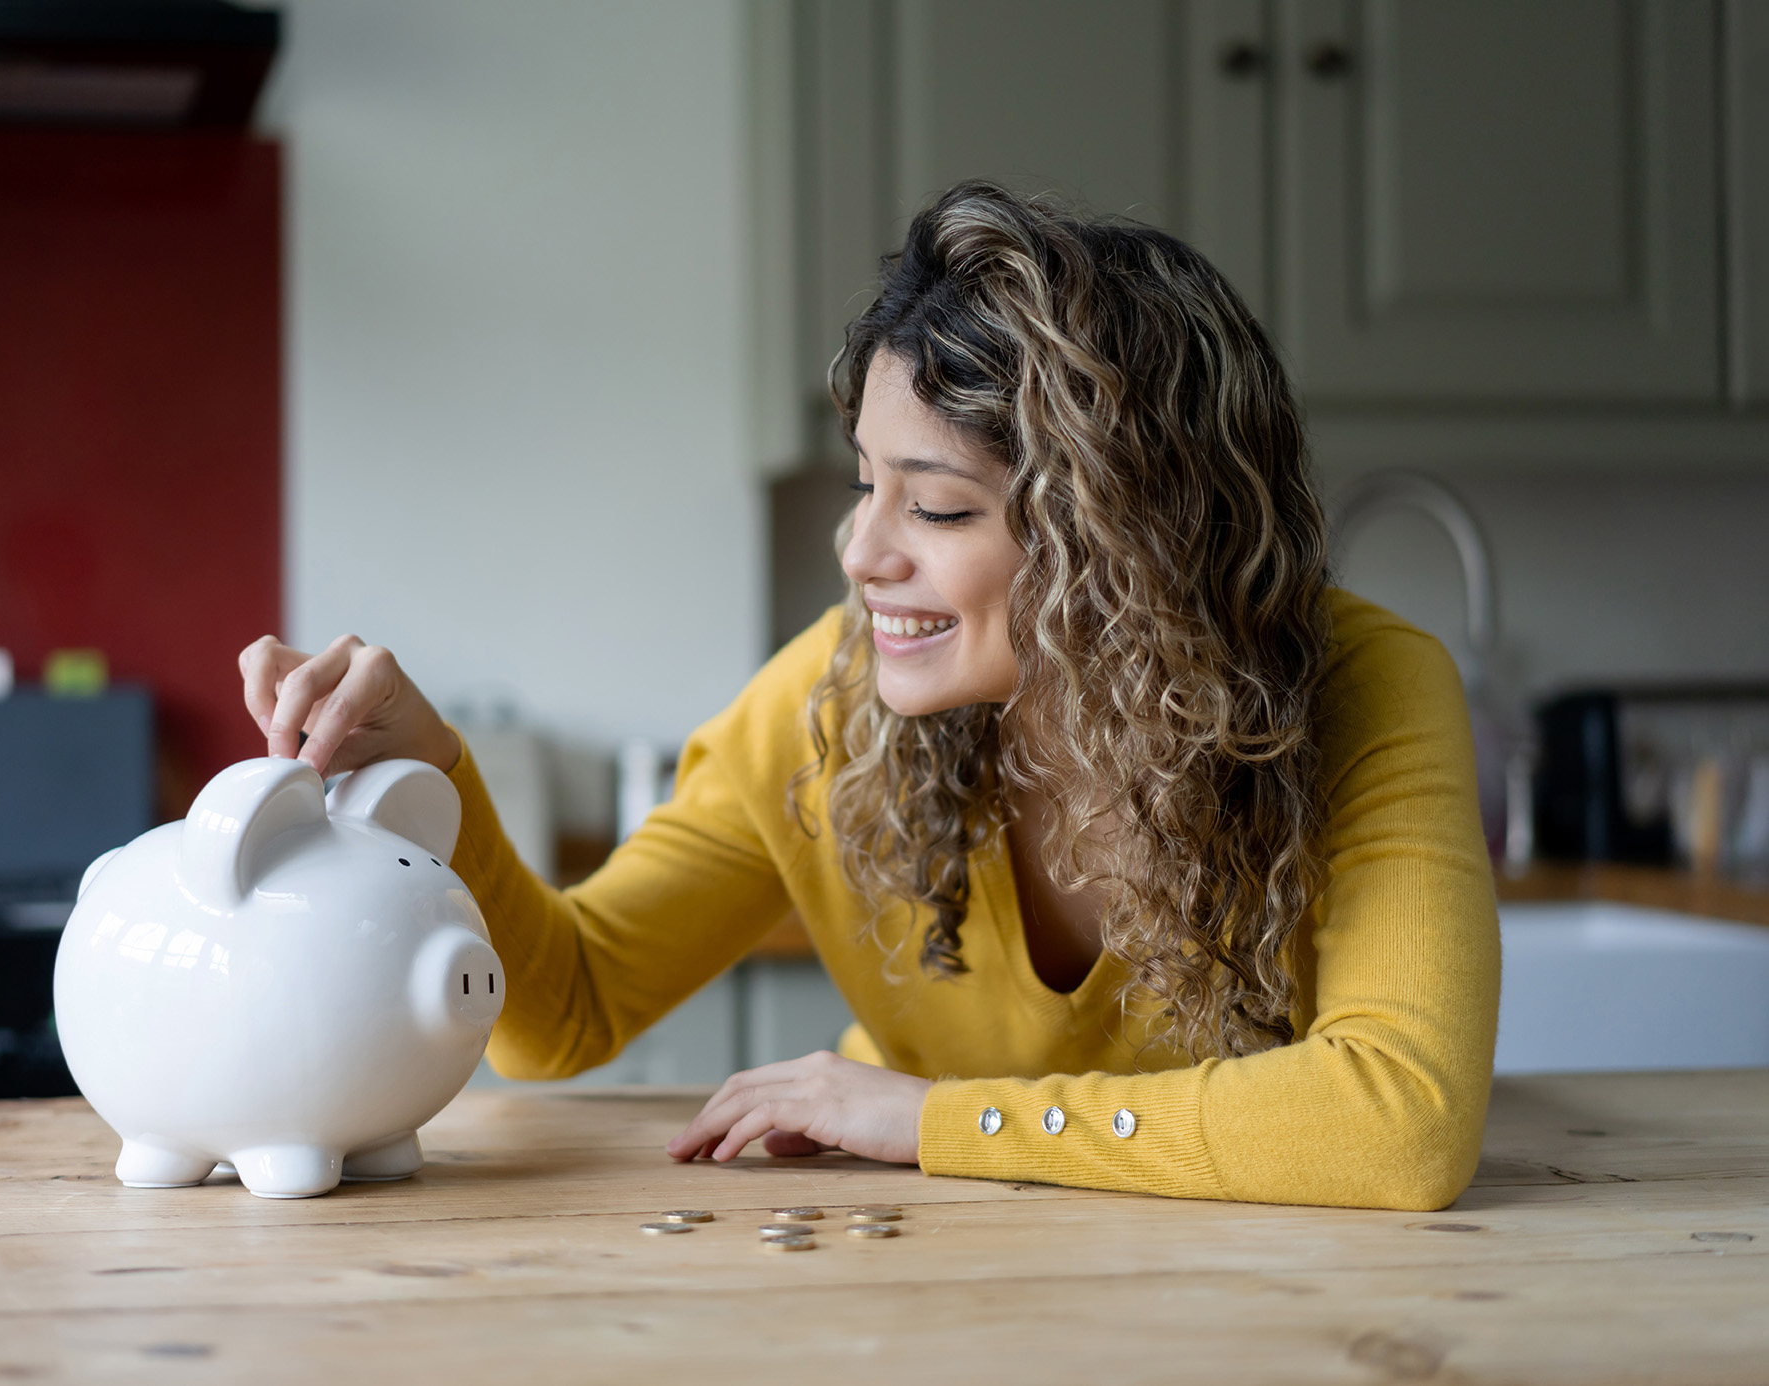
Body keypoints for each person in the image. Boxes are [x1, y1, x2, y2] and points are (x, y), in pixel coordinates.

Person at [238, 182, 1499, 1211]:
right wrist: (437, 767)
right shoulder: (822, 708)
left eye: (937, 506)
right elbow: (559, 1013)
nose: (861, 552)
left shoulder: (1364, 690)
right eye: (865, 486)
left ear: (1132, 539)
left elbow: (1394, 1125)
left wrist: (939, 1122)